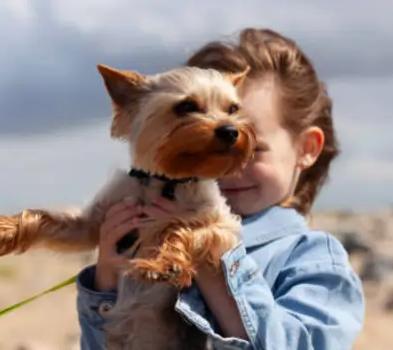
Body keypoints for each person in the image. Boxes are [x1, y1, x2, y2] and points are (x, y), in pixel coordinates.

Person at [76, 27, 365, 350]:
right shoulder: (152, 231)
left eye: (250, 148)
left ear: (306, 148)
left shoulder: (311, 260)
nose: (225, 167)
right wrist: (108, 283)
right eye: (198, 145)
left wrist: (213, 260)